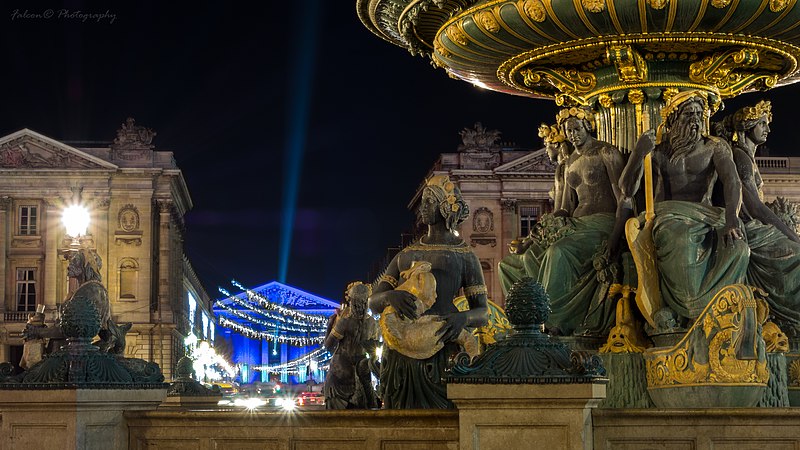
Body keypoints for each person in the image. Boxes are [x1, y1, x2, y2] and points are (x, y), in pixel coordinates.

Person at [620, 90, 749, 322]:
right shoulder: (656, 150)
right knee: (683, 240)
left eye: (700, 114)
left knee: (738, 248)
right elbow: (626, 190)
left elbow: (733, 181)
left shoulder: (714, 147)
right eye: (689, 114)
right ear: (672, 120)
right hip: (669, 216)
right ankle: (690, 307)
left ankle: (721, 308)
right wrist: (638, 153)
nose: (696, 121)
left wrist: (732, 219)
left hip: (708, 215)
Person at [499, 107, 625, 336]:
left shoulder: (606, 153)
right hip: (575, 225)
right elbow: (565, 208)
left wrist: (616, 239)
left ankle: (552, 321)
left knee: (557, 252)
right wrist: (533, 235)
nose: (573, 134)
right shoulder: (569, 163)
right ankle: (524, 320)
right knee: (513, 263)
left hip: (602, 223)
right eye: (569, 130)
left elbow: (624, 200)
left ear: (588, 126)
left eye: (577, 128)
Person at [369, 175, 488, 409]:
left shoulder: (465, 256)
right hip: (402, 355)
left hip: (444, 348)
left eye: (429, 202)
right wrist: (389, 296)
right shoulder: (406, 255)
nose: (422, 208)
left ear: (445, 208)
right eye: (423, 202)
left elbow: (482, 312)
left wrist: (463, 317)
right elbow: (374, 301)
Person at [715, 101, 800, 330]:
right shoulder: (740, 157)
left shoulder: (746, 157)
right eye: (762, 123)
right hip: (745, 228)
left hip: (751, 227)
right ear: (747, 126)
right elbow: (755, 209)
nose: (768, 129)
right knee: (795, 255)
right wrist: (793, 236)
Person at [323, 281, 379, 409]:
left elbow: (328, 346)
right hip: (361, 368)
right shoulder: (372, 323)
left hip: (340, 370)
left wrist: (329, 326)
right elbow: (373, 349)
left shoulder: (344, 322)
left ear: (352, 301)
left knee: (336, 418)